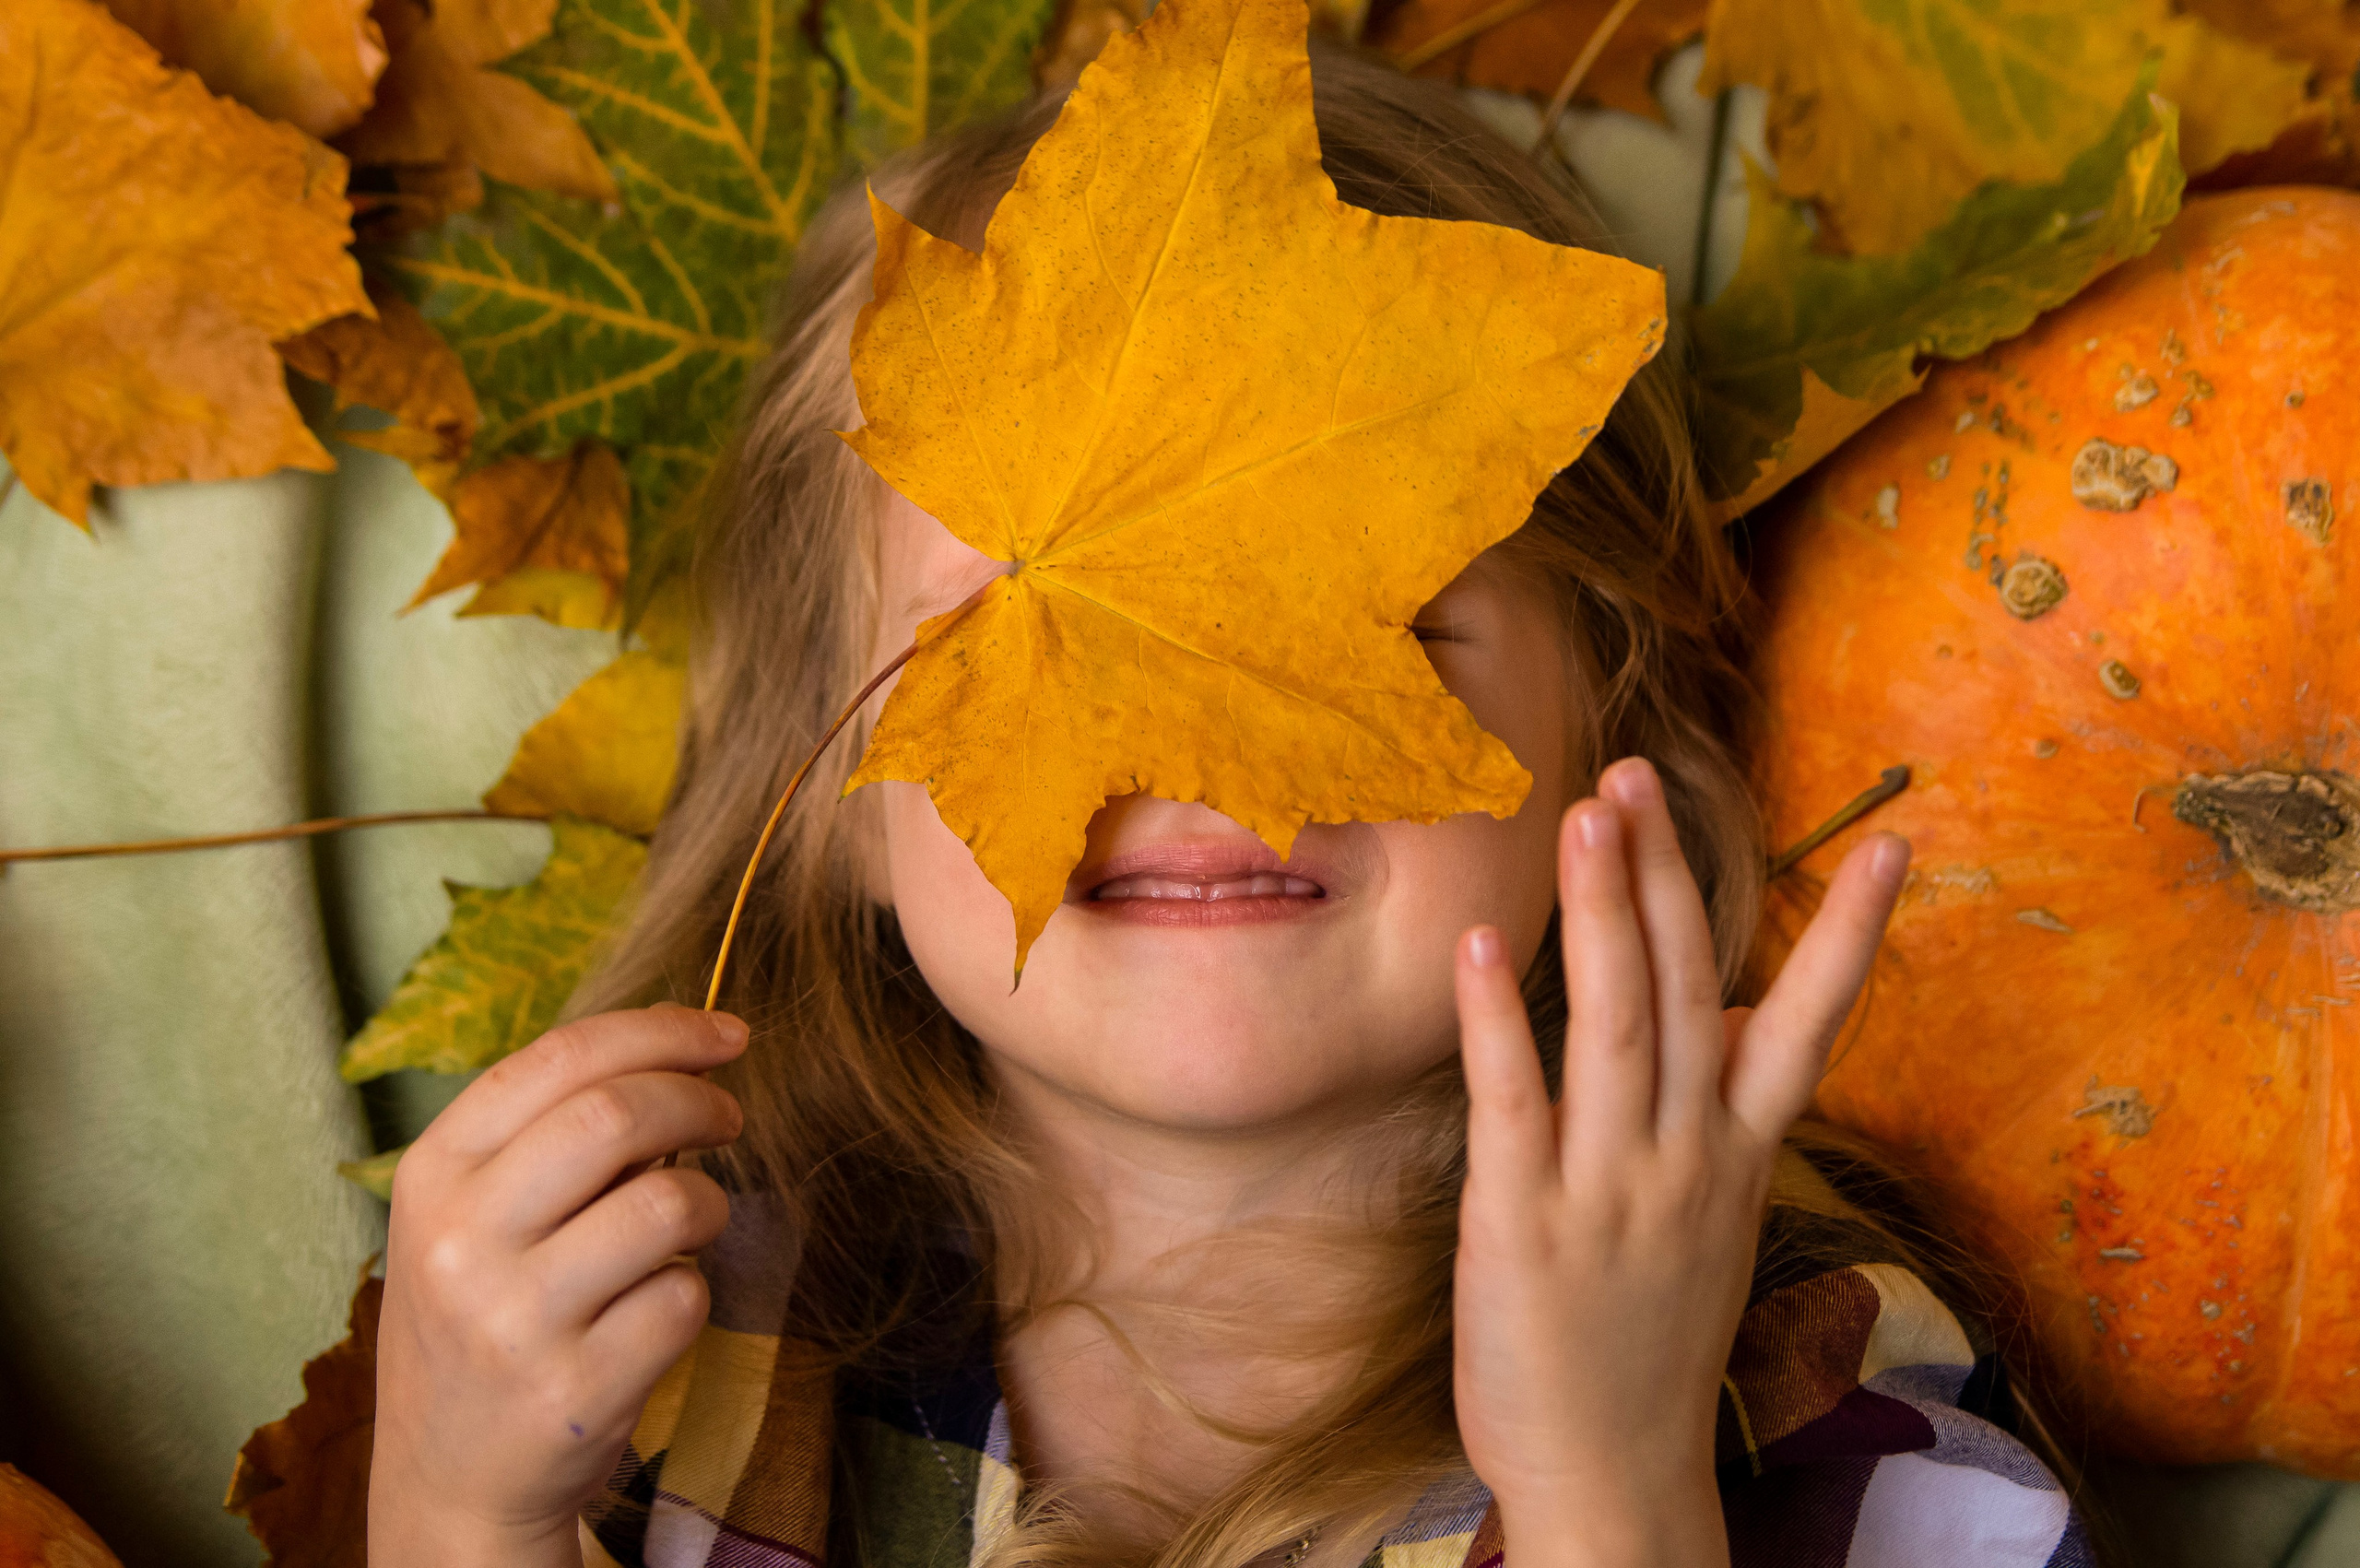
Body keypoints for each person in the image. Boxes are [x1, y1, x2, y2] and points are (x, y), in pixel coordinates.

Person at [365, 40, 2095, 1568]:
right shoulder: (629, 1340)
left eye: (1365, 627)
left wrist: (1612, 1495)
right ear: (824, 788)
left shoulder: (1814, 1380)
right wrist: (457, 1513)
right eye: (1016, 637)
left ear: (1614, 736)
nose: (1191, 752)